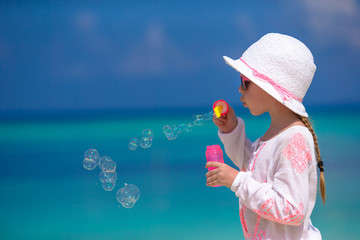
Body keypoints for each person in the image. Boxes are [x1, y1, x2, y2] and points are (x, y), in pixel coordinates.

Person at [205, 33, 325, 240]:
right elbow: (252, 167)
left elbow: (292, 210)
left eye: (245, 82)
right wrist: (231, 129)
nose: (240, 89)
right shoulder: (275, 136)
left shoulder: (294, 138)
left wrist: (237, 181)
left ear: (269, 87)